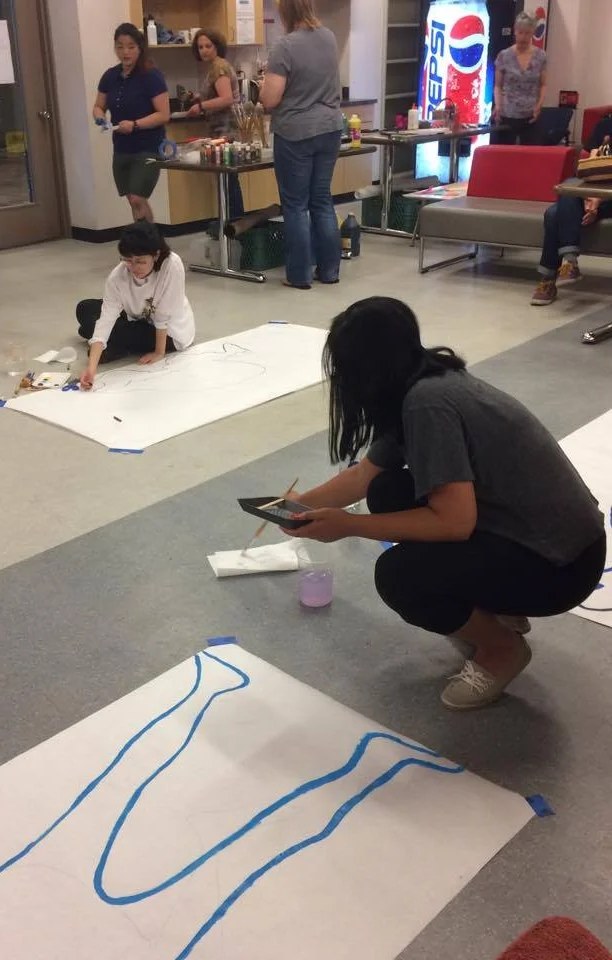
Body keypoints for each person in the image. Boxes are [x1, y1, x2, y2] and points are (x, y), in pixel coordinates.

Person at [285, 297, 605, 711]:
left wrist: (348, 525)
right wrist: (298, 505)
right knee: (386, 490)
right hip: (534, 534)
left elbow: (454, 523)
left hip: (562, 566)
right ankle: (494, 605)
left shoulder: (427, 404)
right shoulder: (419, 381)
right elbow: (364, 476)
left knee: (401, 577)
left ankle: (501, 648)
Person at [260, 0, 343, 290]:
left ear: (285, 11)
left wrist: (264, 84)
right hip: (330, 127)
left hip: (296, 132)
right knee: (321, 199)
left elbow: (270, 99)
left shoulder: (284, 46)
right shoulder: (329, 37)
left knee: (295, 205)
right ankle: (329, 270)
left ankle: (299, 275)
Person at [77, 222, 195, 389]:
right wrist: (91, 369)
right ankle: (113, 343)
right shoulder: (117, 277)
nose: (134, 267)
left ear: (156, 255)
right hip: (138, 318)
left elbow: (163, 315)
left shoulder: (171, 265)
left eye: (140, 261)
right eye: (128, 260)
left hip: (168, 333)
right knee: (85, 308)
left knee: (101, 329)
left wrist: (159, 352)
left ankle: (114, 344)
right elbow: (106, 319)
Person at [93, 23, 171, 223]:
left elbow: (163, 114)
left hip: (148, 146)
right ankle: (142, 237)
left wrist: (135, 124)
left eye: (130, 47)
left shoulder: (151, 75)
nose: (125, 52)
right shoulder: (110, 76)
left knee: (138, 197)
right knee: (132, 199)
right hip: (122, 147)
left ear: (139, 48)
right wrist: (100, 117)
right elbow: (99, 106)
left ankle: (150, 239)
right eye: (120, 47)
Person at [531, 115, 612, 306]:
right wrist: (590, 196)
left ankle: (551, 277)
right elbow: (594, 166)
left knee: (554, 214)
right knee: (565, 193)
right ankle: (569, 261)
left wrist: (597, 200)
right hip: (597, 191)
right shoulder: (605, 125)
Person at [187, 28, 244, 219]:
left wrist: (200, 106)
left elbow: (226, 98)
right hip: (221, 129)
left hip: (226, 130)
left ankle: (233, 222)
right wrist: (200, 96)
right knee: (227, 180)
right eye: (200, 47)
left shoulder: (219, 67)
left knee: (228, 180)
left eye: (208, 46)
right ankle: (230, 221)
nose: (204, 50)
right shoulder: (215, 67)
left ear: (217, 46)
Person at [492, 12, 547, 146]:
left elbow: (543, 85)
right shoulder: (504, 56)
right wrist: (498, 106)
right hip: (507, 114)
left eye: (527, 33)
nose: (523, 37)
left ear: (532, 33)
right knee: (505, 153)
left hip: (531, 115)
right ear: (515, 31)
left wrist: (539, 105)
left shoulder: (541, 56)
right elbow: (498, 85)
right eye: (520, 32)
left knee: (530, 154)